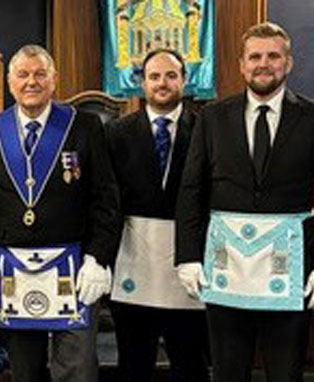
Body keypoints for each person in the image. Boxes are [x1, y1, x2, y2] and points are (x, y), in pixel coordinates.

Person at [174, 22, 314, 382]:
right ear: (241, 64)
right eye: (255, 56)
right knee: (227, 371)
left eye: (273, 56)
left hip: (290, 270)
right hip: (224, 269)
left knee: (285, 372)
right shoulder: (213, 117)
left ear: (289, 62)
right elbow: (191, 191)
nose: (263, 63)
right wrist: (187, 256)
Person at [0, 44, 117, 382]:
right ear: (9, 81)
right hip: (12, 269)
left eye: (39, 74)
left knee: (77, 369)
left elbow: (105, 200)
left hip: (74, 267)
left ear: (54, 80)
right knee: (24, 370)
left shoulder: (85, 126)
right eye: (23, 74)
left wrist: (98, 258)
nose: (31, 82)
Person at [103, 48, 209, 382]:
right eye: (154, 76)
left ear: (184, 80)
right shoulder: (116, 133)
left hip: (190, 266)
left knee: (191, 363)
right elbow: (106, 201)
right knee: (135, 364)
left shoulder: (208, 130)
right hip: (133, 265)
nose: (162, 83)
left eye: (170, 75)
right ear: (142, 83)